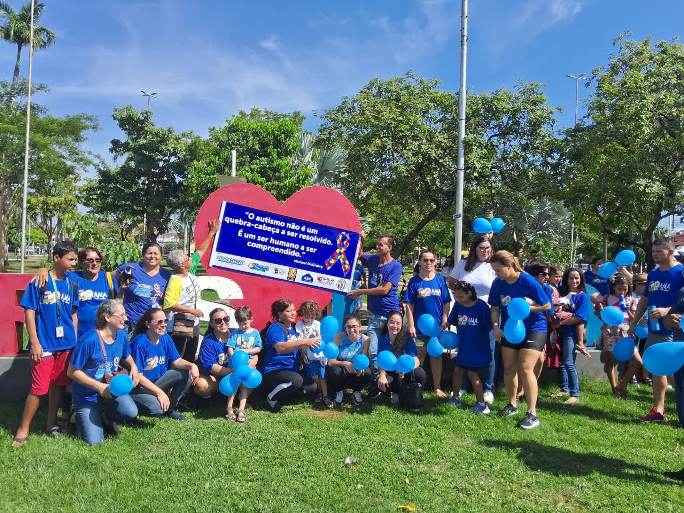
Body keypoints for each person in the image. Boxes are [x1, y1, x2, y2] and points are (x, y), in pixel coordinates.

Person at [12, 241, 80, 448]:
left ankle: (50, 424)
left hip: (66, 344)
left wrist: (74, 339)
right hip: (45, 344)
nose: (74, 263)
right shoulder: (39, 281)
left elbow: (73, 312)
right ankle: (22, 430)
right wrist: (34, 342)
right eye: (70, 259)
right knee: (39, 388)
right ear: (56, 258)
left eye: (75, 259)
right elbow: (29, 311)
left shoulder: (72, 283)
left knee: (58, 385)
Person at [489, 250, 550, 429]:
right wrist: (495, 326)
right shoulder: (498, 283)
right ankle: (512, 404)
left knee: (525, 367)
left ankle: (532, 413)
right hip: (510, 329)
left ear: (509, 266)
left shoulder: (528, 281)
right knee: (509, 368)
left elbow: (546, 305)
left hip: (534, 329)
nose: (496, 274)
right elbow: (494, 307)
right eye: (494, 270)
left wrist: (525, 308)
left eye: (498, 270)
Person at [67, 300, 140, 445]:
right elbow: (71, 372)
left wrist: (134, 367)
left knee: (131, 412)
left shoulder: (122, 336)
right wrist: (98, 387)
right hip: (87, 396)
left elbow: (127, 356)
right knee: (95, 442)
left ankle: (106, 416)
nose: (126, 318)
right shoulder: (89, 340)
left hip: (110, 391)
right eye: (121, 315)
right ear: (107, 317)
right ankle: (76, 416)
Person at [628, 237, 684, 423]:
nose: (654, 254)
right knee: (657, 369)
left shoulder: (681, 272)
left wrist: (667, 310)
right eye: (653, 251)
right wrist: (634, 322)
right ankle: (659, 411)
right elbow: (645, 299)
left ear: (670, 251)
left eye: (658, 251)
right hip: (654, 328)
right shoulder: (653, 273)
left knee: (676, 371)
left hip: (675, 329)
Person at [447, 235, 497, 404]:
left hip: (487, 314)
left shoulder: (493, 266)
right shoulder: (463, 265)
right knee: (465, 349)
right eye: (481, 248)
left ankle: (488, 388)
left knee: (488, 352)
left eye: (488, 248)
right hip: (465, 314)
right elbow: (451, 281)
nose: (485, 251)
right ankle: (462, 387)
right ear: (475, 249)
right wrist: (462, 295)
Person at [346, 235, 403, 381]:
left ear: (389, 248)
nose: (377, 247)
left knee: (392, 350)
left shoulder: (395, 266)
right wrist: (361, 238)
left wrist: (361, 291)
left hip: (391, 316)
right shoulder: (372, 259)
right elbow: (357, 253)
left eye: (381, 245)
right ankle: (379, 383)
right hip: (375, 316)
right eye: (377, 244)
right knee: (373, 351)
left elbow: (384, 290)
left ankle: (396, 381)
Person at [32, 246, 121, 338]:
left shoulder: (108, 279)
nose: (94, 263)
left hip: (103, 333)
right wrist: (43, 270)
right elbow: (55, 273)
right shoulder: (72, 277)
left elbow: (117, 303)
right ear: (81, 263)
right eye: (90, 260)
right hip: (79, 334)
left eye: (98, 260)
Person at [163, 219, 220, 361]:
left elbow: (200, 251)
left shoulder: (190, 272)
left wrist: (212, 232)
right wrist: (191, 311)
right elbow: (169, 304)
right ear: (182, 265)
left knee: (190, 357)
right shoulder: (176, 280)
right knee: (178, 359)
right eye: (187, 258)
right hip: (179, 327)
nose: (190, 258)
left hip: (192, 325)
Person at [129, 308, 200, 421]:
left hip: (158, 382)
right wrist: (160, 393)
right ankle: (131, 406)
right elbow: (138, 376)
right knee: (157, 409)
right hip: (141, 387)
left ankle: (170, 409)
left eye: (165, 321)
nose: (163, 325)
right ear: (147, 324)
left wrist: (193, 365)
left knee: (186, 372)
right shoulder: (139, 343)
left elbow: (177, 361)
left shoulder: (165, 337)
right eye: (159, 322)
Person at [403, 250, 451, 397]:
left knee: (436, 356)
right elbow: (409, 305)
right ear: (420, 262)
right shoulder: (414, 282)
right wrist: (411, 324)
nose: (428, 263)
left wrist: (445, 319)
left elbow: (446, 302)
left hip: (437, 328)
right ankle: (417, 386)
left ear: (435, 261)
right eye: (425, 260)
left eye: (431, 260)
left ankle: (437, 387)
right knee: (420, 355)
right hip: (419, 328)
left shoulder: (440, 281)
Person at [261, 299, 320, 412]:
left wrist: (303, 355)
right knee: (296, 381)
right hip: (274, 371)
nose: (293, 313)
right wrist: (303, 342)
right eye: (288, 311)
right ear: (279, 314)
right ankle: (270, 399)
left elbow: (298, 347)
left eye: (293, 310)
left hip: (292, 370)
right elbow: (280, 347)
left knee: (312, 387)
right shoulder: (276, 328)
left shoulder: (295, 328)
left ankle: (283, 394)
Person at [447, 281, 493, 414]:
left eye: (461, 296)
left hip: (478, 347)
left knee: (473, 374)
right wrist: (445, 324)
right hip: (464, 346)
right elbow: (452, 320)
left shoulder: (481, 306)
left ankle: (482, 405)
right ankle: (455, 398)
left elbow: (489, 326)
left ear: (470, 293)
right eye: (456, 296)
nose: (458, 299)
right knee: (458, 371)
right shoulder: (458, 305)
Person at [550, 268, 591, 404]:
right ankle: (564, 389)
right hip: (560, 333)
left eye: (577, 278)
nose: (574, 281)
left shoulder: (582, 296)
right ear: (566, 279)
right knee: (562, 362)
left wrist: (559, 323)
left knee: (568, 362)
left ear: (581, 280)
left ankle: (575, 394)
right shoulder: (562, 294)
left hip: (571, 334)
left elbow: (580, 317)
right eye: (571, 278)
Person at [113, 242, 171, 332]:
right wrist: (116, 295)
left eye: (156, 253)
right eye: (149, 253)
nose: (152, 256)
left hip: (154, 325)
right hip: (130, 324)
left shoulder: (166, 275)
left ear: (161, 256)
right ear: (143, 255)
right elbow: (109, 278)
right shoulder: (131, 268)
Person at [595, 275, 637, 395]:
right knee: (611, 362)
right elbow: (601, 314)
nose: (622, 292)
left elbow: (634, 319)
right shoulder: (607, 298)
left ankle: (622, 385)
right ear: (614, 287)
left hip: (626, 332)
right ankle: (614, 388)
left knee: (637, 362)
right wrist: (600, 310)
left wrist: (628, 310)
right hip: (611, 333)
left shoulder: (631, 299)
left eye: (625, 289)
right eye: (619, 289)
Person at [376, 311, 426, 405]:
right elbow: (381, 360)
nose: (394, 326)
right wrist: (382, 375)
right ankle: (395, 393)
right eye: (392, 322)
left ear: (402, 325)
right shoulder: (383, 339)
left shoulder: (407, 337)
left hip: (406, 371)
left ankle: (411, 393)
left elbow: (416, 359)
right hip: (391, 372)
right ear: (387, 323)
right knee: (383, 382)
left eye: (398, 323)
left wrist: (407, 368)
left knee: (420, 374)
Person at [225, 306, 262, 421]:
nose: (243, 326)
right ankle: (229, 408)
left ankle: (241, 409)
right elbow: (230, 348)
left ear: (251, 319)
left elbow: (258, 349)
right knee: (233, 386)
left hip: (248, 364)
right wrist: (233, 357)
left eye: (245, 322)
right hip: (235, 365)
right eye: (240, 323)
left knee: (245, 386)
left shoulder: (255, 333)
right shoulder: (234, 333)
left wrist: (246, 351)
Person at [327, 313, 371, 406]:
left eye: (354, 326)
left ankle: (356, 392)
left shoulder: (365, 339)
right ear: (345, 328)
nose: (351, 329)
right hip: (341, 371)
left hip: (355, 372)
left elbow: (363, 358)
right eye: (348, 327)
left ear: (360, 327)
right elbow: (330, 362)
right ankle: (339, 392)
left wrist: (361, 366)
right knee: (335, 371)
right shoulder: (339, 337)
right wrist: (345, 363)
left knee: (367, 372)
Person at [295, 301, 329, 407]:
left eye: (312, 316)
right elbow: (300, 340)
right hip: (308, 355)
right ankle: (320, 392)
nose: (309, 319)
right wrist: (303, 355)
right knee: (314, 376)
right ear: (302, 314)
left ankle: (326, 396)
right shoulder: (299, 324)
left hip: (320, 355)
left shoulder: (317, 324)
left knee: (322, 376)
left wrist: (311, 340)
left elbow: (320, 337)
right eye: (306, 316)